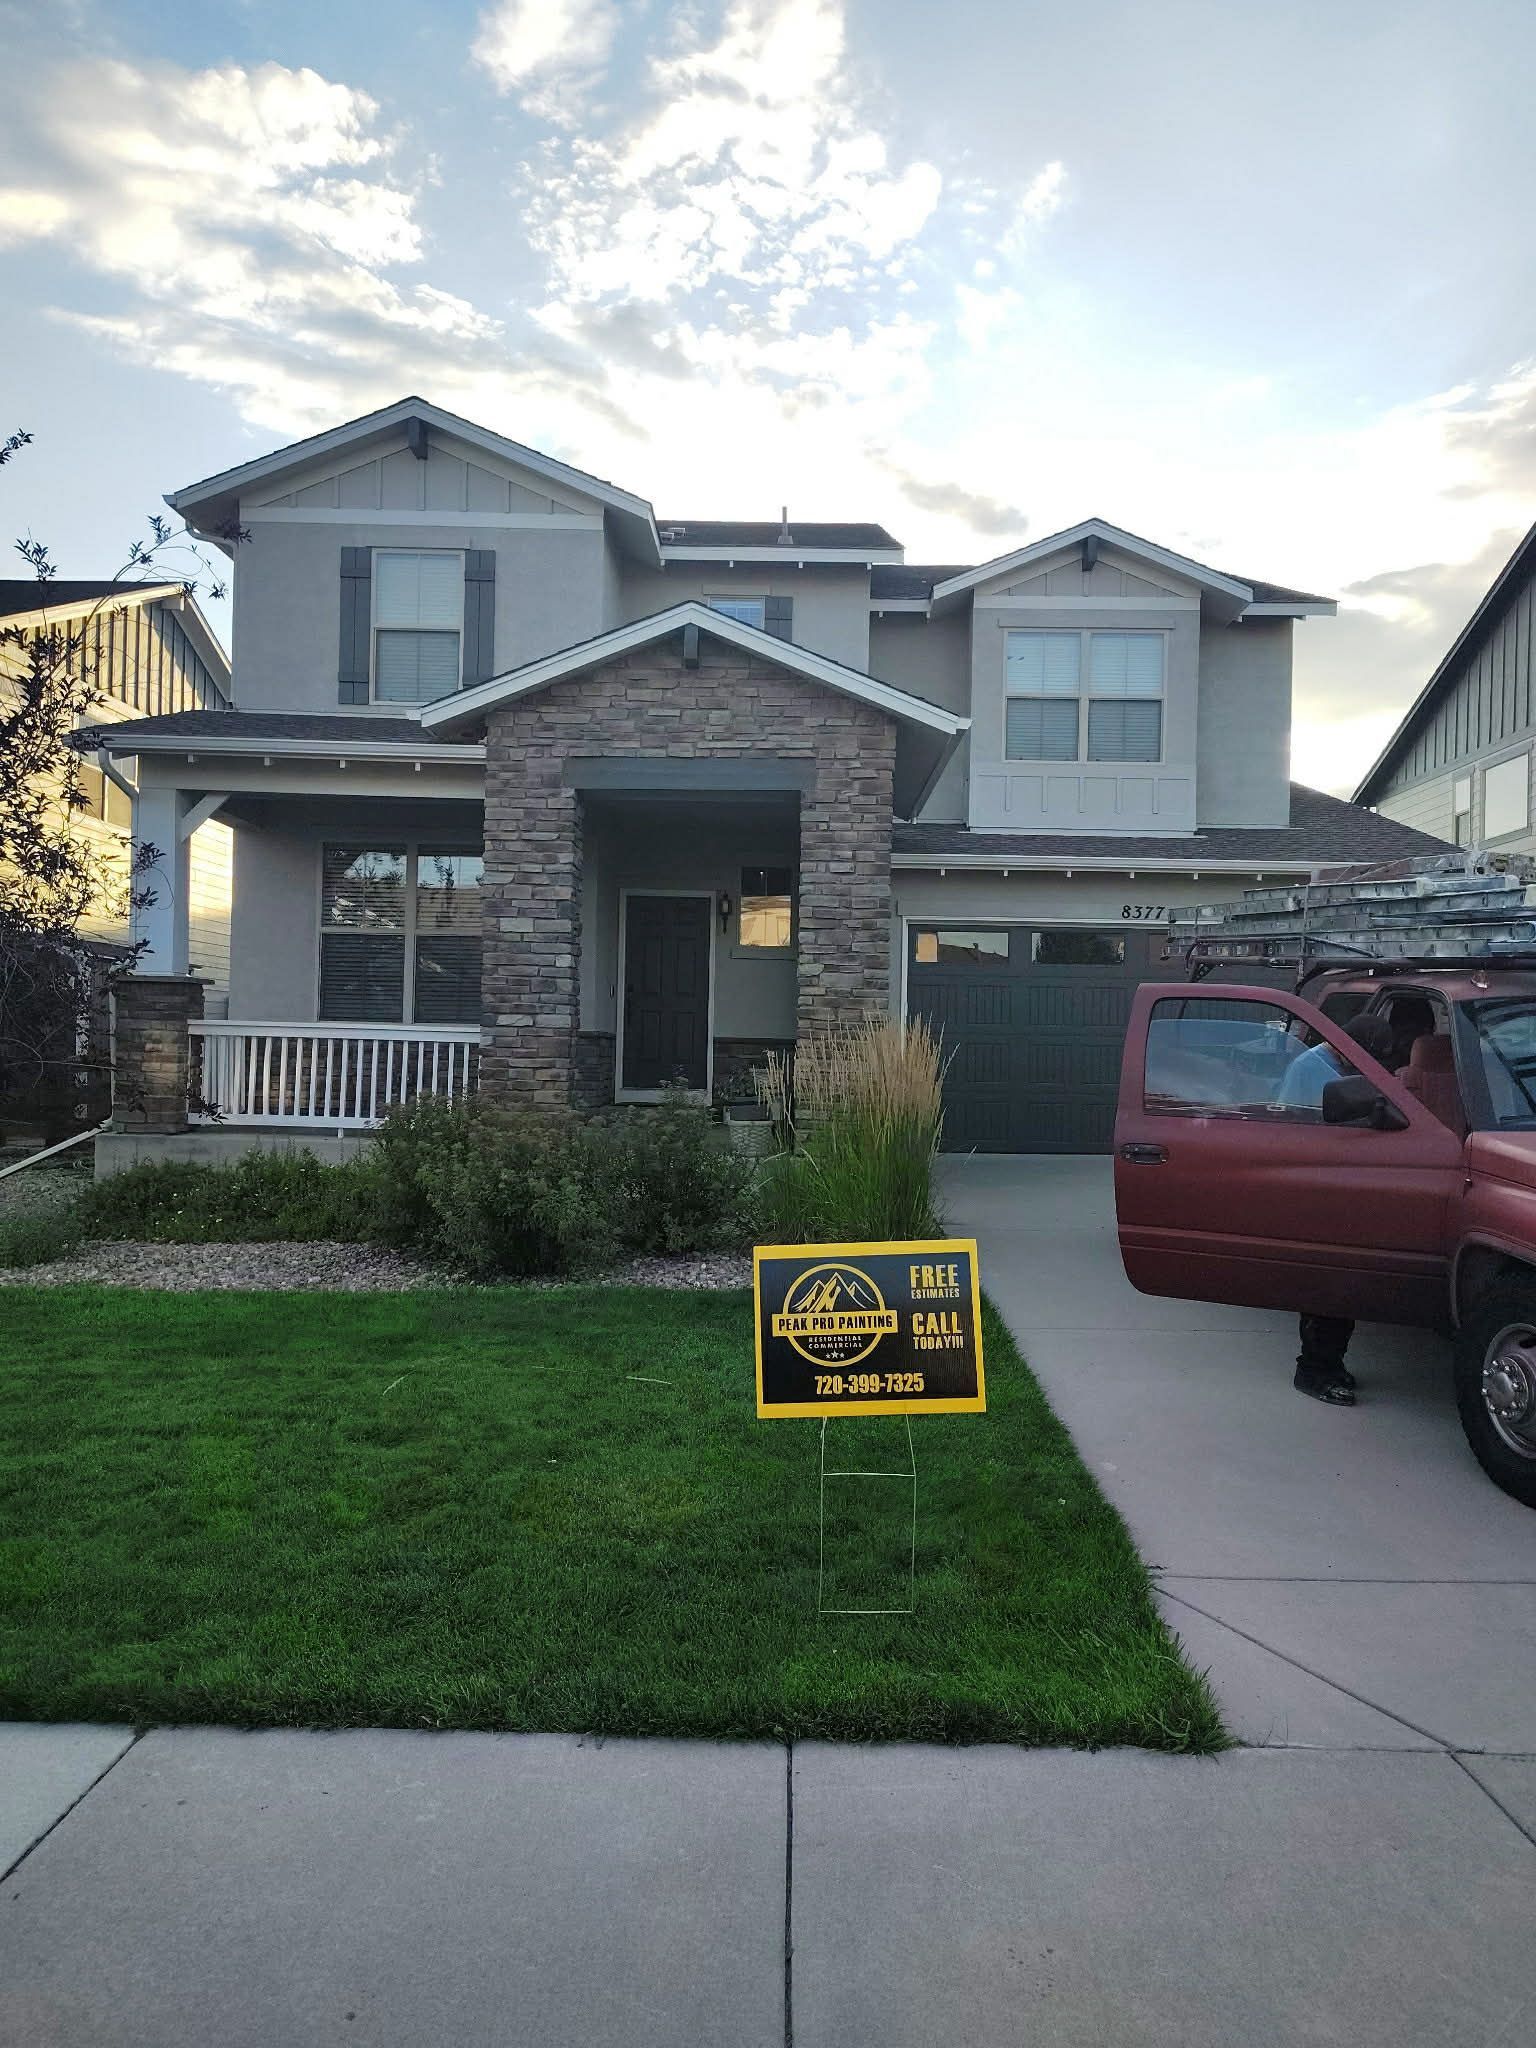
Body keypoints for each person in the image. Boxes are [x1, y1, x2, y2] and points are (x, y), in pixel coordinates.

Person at [1287, 1011, 1398, 1407]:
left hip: (1353, 1184)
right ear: (1346, 1046)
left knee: (1345, 1286)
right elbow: (1291, 1125)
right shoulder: (1309, 1066)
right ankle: (1313, 1372)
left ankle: (1330, 1363)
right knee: (1327, 1287)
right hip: (1320, 1187)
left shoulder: (1352, 1067)